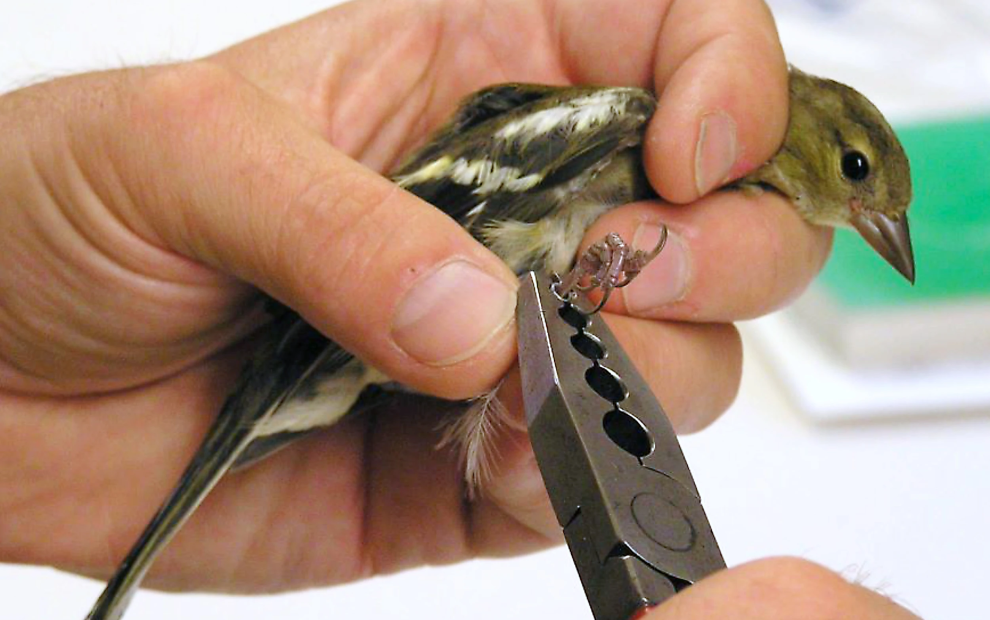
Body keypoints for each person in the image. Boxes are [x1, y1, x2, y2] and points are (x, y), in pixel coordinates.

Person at [0, 0, 918, 618]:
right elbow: (430, 222)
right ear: (817, 134)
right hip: (305, 345)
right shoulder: (622, 121)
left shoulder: (687, 166)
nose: (875, 223)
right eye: (857, 175)